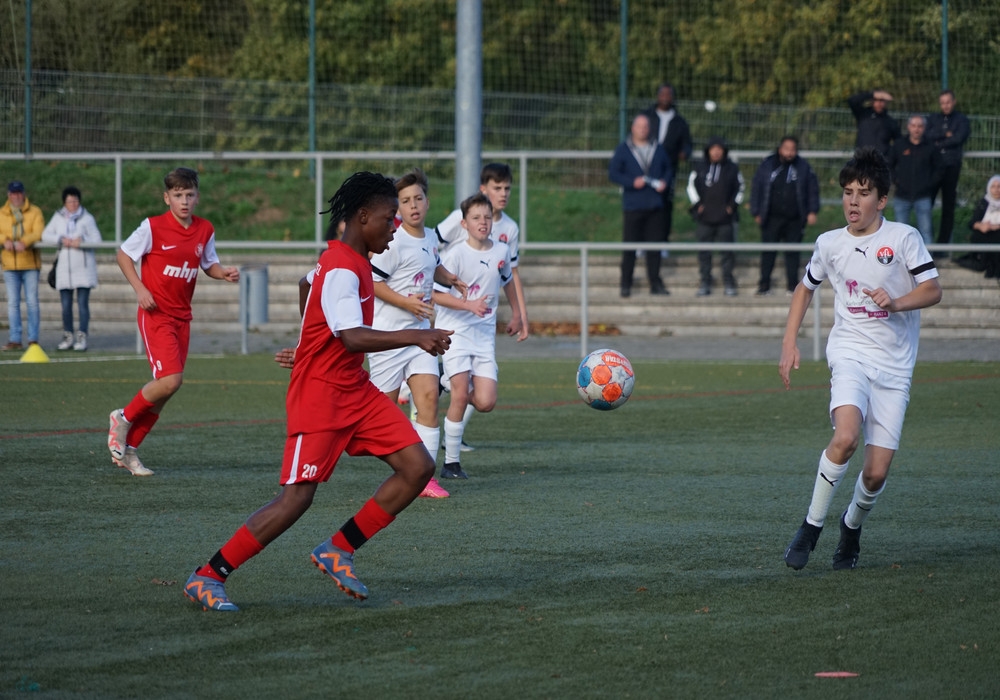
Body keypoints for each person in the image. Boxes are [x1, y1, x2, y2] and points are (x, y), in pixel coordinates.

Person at [184, 172, 453, 612]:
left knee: (417, 466)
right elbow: (351, 336)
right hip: (321, 396)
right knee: (296, 500)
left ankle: (338, 550)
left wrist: (310, 341)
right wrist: (415, 336)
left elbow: (306, 285)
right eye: (388, 218)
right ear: (362, 217)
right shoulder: (344, 268)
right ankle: (208, 575)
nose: (395, 226)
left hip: (354, 389)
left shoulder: (347, 260)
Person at [780, 147, 942, 571]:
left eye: (864, 193)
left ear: (882, 200)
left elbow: (933, 290)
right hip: (849, 352)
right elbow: (805, 287)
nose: (853, 201)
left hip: (895, 367)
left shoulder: (903, 238)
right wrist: (789, 341)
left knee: (875, 474)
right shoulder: (829, 243)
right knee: (846, 437)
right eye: (848, 192)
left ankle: (850, 527)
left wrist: (896, 302)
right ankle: (811, 526)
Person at [107, 167, 240, 477]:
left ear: (197, 198)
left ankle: (130, 450)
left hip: (183, 318)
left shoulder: (204, 229)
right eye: (178, 195)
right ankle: (122, 419)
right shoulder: (152, 227)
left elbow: (208, 263)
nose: (184, 201)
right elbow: (124, 255)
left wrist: (223, 272)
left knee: (166, 389)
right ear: (166, 198)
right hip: (157, 315)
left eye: (189, 195)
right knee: (171, 380)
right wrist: (140, 289)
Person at [369, 168, 466, 498]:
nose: (413, 205)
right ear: (398, 206)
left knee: (428, 399)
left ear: (427, 202)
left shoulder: (430, 238)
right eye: (406, 200)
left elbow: (430, 264)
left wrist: (448, 277)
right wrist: (406, 303)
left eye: (418, 198)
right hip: (388, 338)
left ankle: (422, 478)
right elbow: (372, 281)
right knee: (380, 414)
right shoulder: (392, 242)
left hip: (420, 337)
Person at [435, 162, 529, 451]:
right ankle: (450, 451)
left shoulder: (508, 231)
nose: (503, 193)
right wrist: (441, 276)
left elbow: (509, 275)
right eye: (497, 188)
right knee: (460, 389)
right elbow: (431, 245)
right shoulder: (460, 221)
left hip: (483, 326)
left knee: (484, 399)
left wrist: (520, 315)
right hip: (454, 315)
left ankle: (447, 384)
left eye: (507, 188)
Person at [608, 113, 672, 298]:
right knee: (630, 247)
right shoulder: (624, 149)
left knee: (654, 247)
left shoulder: (658, 148)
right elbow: (613, 173)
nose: (643, 130)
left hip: (655, 205)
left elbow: (668, 169)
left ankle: (655, 282)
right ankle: (626, 283)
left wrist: (665, 181)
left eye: (646, 127)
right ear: (633, 128)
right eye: (639, 127)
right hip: (633, 206)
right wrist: (631, 182)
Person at [750, 136, 820, 296]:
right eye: (786, 149)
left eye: (792, 149)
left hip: (794, 219)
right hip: (771, 217)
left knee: (792, 253)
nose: (789, 153)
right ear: (780, 148)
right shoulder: (768, 165)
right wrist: (756, 211)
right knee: (768, 252)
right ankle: (764, 286)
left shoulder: (803, 167)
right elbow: (757, 187)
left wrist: (812, 211)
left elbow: (812, 189)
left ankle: (792, 286)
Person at [41, 186, 103, 351]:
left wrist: (82, 241)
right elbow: (45, 235)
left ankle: (82, 336)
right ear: (64, 203)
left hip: (83, 270)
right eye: (70, 201)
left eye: (75, 201)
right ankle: (68, 336)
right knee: (66, 306)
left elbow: (97, 240)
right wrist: (61, 239)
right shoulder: (58, 217)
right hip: (64, 270)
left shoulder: (87, 218)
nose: (73, 204)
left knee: (83, 305)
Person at [686, 136, 744, 296]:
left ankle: (728, 281)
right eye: (713, 149)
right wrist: (698, 205)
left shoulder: (732, 168)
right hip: (705, 218)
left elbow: (740, 188)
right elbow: (691, 187)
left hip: (725, 218)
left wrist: (732, 206)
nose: (716, 152)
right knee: (704, 251)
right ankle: (705, 281)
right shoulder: (699, 167)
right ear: (708, 151)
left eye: (719, 149)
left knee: (727, 252)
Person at [642, 82, 693, 248]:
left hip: (668, 170)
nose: (665, 97)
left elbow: (687, 143)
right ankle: (641, 243)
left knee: (664, 206)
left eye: (668, 94)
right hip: (646, 167)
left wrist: (684, 152)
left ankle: (662, 242)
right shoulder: (647, 116)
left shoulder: (679, 121)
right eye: (662, 94)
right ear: (657, 96)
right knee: (643, 206)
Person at [1, 181, 45, 351]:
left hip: (30, 263)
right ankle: (15, 338)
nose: (16, 196)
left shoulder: (35, 211)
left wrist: (25, 242)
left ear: (24, 194)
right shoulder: (2, 213)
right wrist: (4, 240)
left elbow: (38, 232)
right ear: (9, 195)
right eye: (13, 193)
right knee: (13, 303)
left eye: (19, 193)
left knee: (32, 302)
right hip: (10, 264)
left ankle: (33, 338)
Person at [926, 89, 971, 253]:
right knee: (926, 204)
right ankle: (926, 243)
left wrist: (939, 142)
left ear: (954, 102)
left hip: (951, 166)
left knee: (948, 206)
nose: (945, 105)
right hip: (933, 167)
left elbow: (959, 138)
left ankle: (942, 247)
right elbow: (927, 135)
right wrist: (945, 134)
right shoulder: (933, 118)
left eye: (948, 102)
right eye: (942, 103)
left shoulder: (962, 120)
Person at [888, 115, 939, 247]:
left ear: (924, 128)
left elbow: (939, 169)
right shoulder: (899, 145)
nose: (917, 129)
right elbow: (889, 165)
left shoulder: (931, 147)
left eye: (920, 126)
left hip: (923, 197)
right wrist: (896, 180)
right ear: (908, 127)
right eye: (914, 126)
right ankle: (900, 259)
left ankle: (927, 259)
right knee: (900, 233)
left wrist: (929, 184)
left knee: (926, 232)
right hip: (901, 196)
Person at [955, 175, 1000, 280]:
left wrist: (995, 226)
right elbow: (972, 223)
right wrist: (981, 226)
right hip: (984, 234)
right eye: (993, 186)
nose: (996, 189)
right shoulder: (984, 202)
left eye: (999, 186)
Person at [848, 89, 899, 157]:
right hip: (862, 158)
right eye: (876, 100)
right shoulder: (863, 114)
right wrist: (872, 94)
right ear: (872, 101)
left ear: (886, 102)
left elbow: (898, 141)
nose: (879, 103)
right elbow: (852, 100)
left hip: (881, 159)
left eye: (882, 100)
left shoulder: (890, 121)